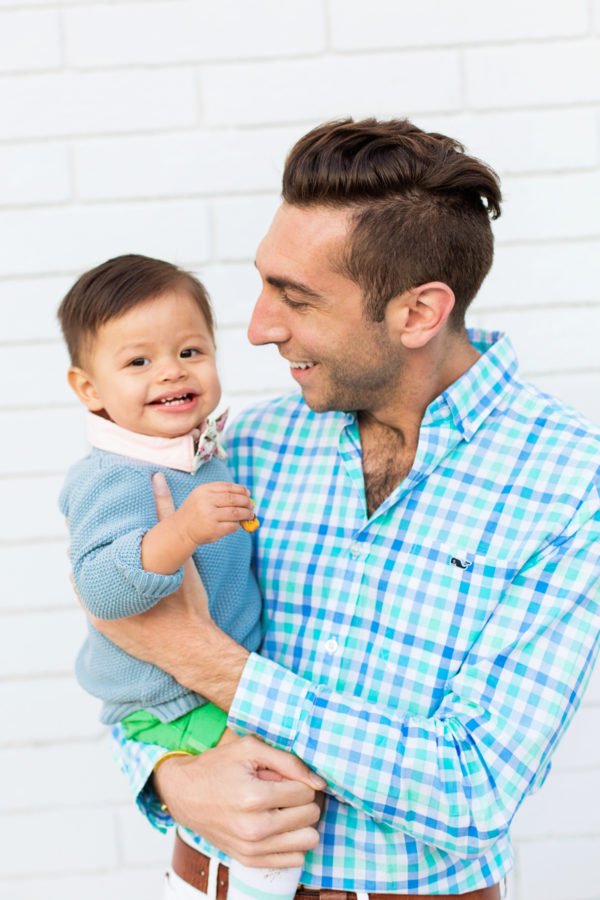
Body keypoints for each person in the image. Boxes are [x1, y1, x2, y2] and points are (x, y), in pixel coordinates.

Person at [90, 119, 600, 900]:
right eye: (264, 285)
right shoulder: (247, 447)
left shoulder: (570, 483)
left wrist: (211, 663)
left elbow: (475, 789)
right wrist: (170, 776)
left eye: (295, 298)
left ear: (418, 314)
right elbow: (127, 642)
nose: (258, 328)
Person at [57, 254, 312, 900]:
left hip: (216, 682)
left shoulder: (200, 455)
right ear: (89, 390)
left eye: (190, 350)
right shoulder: (112, 476)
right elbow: (101, 591)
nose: (170, 370)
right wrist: (180, 534)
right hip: (168, 703)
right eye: (138, 361)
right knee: (276, 787)